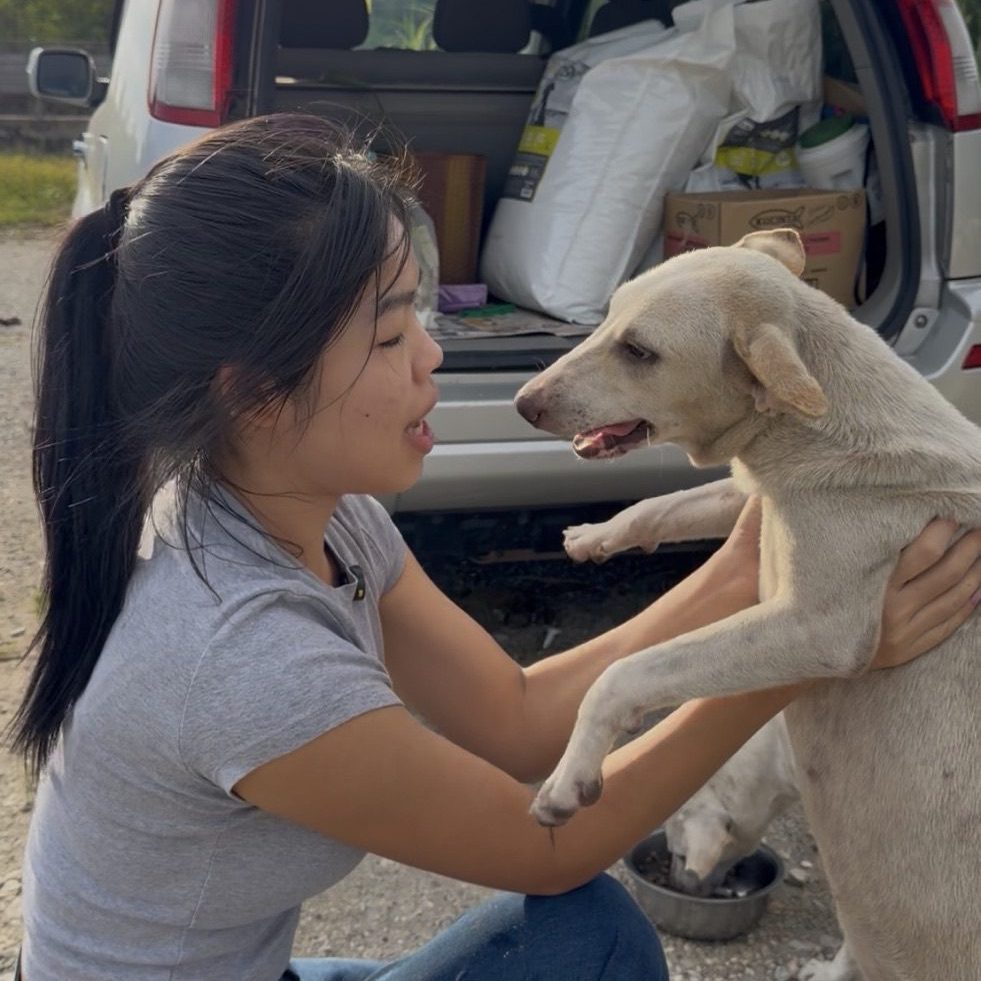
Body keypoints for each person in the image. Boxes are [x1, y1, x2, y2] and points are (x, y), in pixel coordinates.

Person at [10, 114, 981, 981]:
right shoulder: (238, 653)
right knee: (587, 938)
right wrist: (818, 648)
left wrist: (745, 573)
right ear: (255, 392)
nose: (433, 353)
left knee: (580, 934)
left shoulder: (317, 514)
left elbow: (516, 718)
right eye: (390, 337)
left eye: (420, 314)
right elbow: (545, 847)